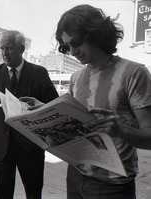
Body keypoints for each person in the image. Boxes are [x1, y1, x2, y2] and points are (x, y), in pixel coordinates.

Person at [54, 4, 151, 199]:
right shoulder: (76, 78)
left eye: (77, 42)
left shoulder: (134, 73)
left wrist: (120, 130)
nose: (72, 52)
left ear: (95, 33)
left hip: (112, 185)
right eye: (66, 47)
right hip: (75, 174)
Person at [0, 30, 58, 199]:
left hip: (31, 147)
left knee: (33, 192)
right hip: (2, 146)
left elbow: (53, 104)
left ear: (22, 49)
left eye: (9, 48)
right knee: (2, 194)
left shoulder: (39, 73)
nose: (4, 53)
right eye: (2, 48)